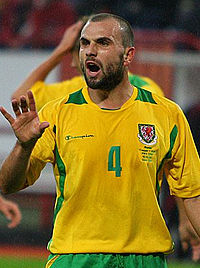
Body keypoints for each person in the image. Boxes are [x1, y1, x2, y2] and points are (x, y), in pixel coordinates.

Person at [1, 13, 200, 267]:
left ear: (128, 56)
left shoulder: (166, 114)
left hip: (144, 258)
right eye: (84, 43)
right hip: (75, 257)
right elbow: (8, 184)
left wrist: (186, 222)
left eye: (103, 43)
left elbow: (192, 194)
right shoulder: (56, 113)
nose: (90, 52)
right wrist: (23, 146)